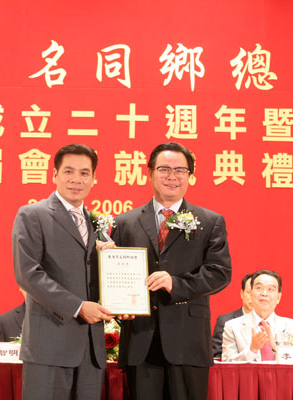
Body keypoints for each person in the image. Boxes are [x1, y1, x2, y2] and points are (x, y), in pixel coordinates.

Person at [111, 142, 232, 400]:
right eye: (164, 169)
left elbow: (219, 272)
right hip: (140, 340)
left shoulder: (209, 221)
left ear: (190, 176)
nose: (172, 176)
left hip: (188, 340)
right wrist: (118, 308)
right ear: (150, 172)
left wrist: (175, 284)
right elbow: (115, 276)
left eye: (180, 170)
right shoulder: (125, 223)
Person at [13, 144, 113, 400]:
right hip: (49, 346)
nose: (76, 179)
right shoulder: (33, 214)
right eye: (69, 171)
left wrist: (119, 300)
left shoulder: (96, 223)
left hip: (91, 351)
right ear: (55, 174)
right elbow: (28, 273)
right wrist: (78, 307)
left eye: (84, 173)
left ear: (93, 178)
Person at [222, 269, 293, 362]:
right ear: (251, 294)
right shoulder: (232, 327)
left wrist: (275, 349)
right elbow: (227, 365)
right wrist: (252, 350)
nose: (264, 293)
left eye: (270, 289)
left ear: (278, 297)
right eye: (259, 288)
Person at [212, 273, 253, 359]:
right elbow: (217, 355)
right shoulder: (225, 321)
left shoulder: (272, 323)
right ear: (242, 294)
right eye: (249, 292)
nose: (253, 297)